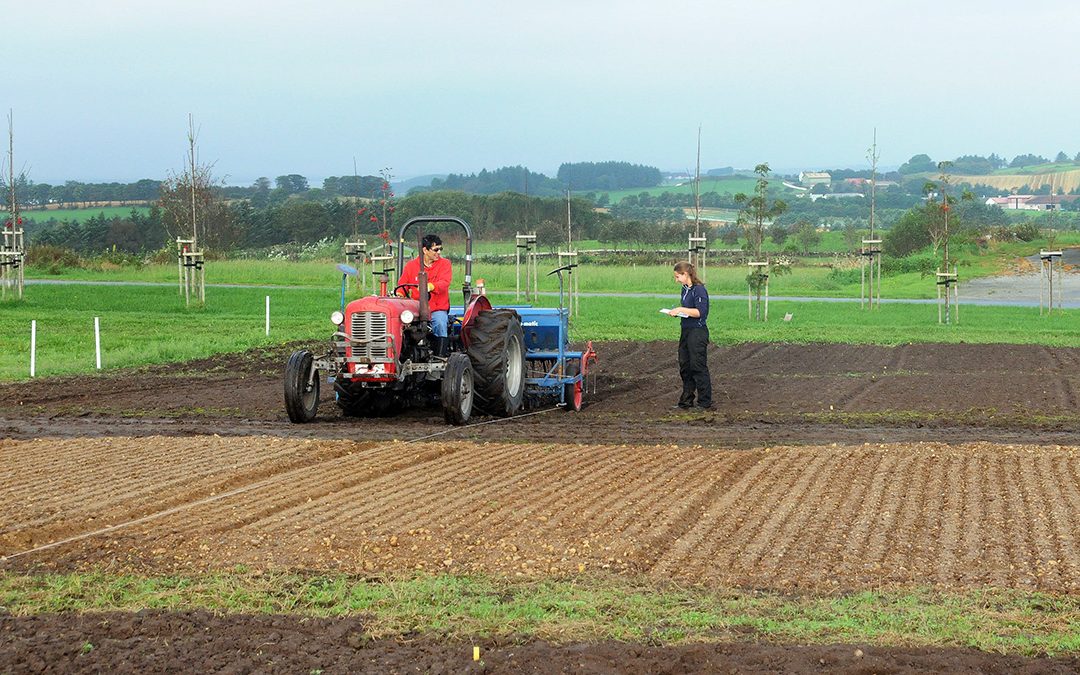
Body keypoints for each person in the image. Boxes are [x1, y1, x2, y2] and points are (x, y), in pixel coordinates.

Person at [666, 261, 712, 409]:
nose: (676, 280)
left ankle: (705, 402)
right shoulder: (685, 289)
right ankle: (686, 401)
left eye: (677, 276)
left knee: (697, 366)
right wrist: (678, 312)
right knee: (685, 366)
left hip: (697, 332)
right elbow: (687, 310)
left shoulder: (699, 290)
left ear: (686, 274)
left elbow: (700, 312)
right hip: (686, 330)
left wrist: (681, 309)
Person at [397, 234, 452, 355]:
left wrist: (431, 286)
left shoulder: (445, 264)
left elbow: (444, 282)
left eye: (440, 249)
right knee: (400, 324)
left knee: (440, 323)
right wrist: (400, 295)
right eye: (436, 249)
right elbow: (402, 285)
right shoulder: (411, 266)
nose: (439, 252)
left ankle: (440, 356)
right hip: (417, 309)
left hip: (436, 308)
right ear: (425, 250)